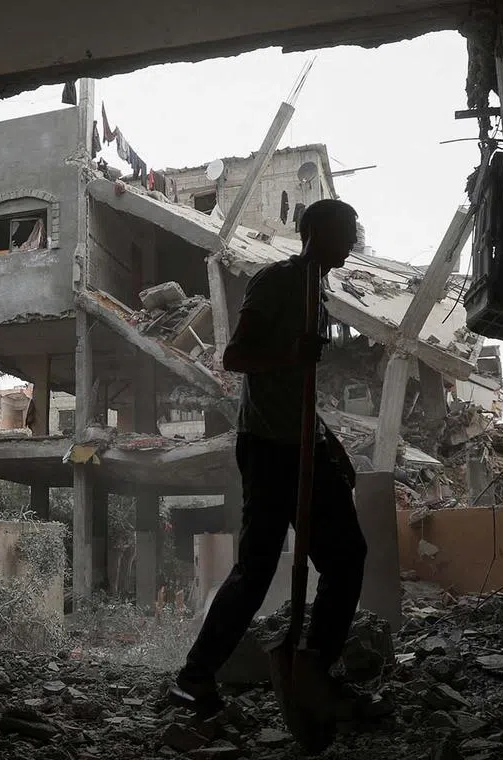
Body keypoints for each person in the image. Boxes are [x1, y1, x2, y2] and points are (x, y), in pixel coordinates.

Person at [169, 199, 367, 715]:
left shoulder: (317, 293)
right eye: (346, 230)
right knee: (255, 571)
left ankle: (317, 670)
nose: (354, 239)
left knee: (346, 558)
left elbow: (297, 386)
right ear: (316, 231)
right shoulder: (277, 280)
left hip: (304, 441)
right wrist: (290, 355)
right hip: (268, 446)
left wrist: (331, 443)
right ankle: (194, 678)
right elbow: (236, 357)